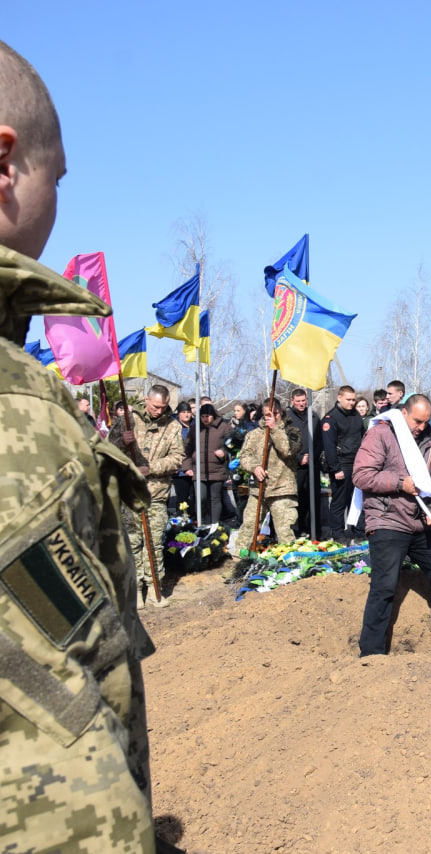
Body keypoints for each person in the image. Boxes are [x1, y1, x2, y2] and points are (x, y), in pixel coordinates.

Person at [0, 38, 157, 851]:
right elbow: (49, 731)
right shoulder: (13, 412)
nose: (57, 201)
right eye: (54, 179)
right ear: (5, 165)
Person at [352, 395, 431, 656]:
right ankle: (372, 652)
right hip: (388, 519)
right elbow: (361, 475)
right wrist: (400, 482)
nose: (421, 427)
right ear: (403, 413)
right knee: (385, 585)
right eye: (417, 421)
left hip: (421, 522)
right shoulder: (381, 433)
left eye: (425, 421)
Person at [114, 384, 185, 604]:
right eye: (155, 406)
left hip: (156, 493)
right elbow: (107, 450)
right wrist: (121, 443)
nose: (159, 411)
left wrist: (151, 467)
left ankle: (155, 587)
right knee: (132, 542)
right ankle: (135, 590)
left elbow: (177, 458)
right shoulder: (128, 421)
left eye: (163, 407)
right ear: (146, 400)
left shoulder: (172, 426)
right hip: (130, 492)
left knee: (153, 543)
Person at [231, 398, 302, 560]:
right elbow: (245, 456)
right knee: (248, 527)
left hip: (282, 490)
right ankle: (238, 561)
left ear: (280, 412)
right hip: (259, 489)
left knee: (285, 532)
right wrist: (254, 467)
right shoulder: (254, 434)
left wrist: (275, 430)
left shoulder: (292, 431)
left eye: (274, 414)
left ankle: (290, 567)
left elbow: (288, 450)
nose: (270, 417)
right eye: (266, 415)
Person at [321, 385, 366, 543]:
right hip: (341, 465)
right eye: (348, 399)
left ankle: (358, 531)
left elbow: (362, 438)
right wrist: (336, 468)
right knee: (339, 501)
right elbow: (329, 446)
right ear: (339, 398)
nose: (352, 402)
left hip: (357, 464)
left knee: (357, 500)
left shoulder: (356, 416)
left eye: (354, 399)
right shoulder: (330, 418)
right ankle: (338, 533)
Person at [285, 387, 325, 540]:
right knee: (297, 500)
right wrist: (299, 457)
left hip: (312, 465)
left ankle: (314, 532)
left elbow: (319, 441)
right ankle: (297, 530)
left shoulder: (313, 416)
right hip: (295, 466)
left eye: (304, 401)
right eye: (298, 401)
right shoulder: (287, 418)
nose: (301, 404)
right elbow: (285, 443)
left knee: (313, 500)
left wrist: (312, 457)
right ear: (292, 402)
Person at [188, 403, 233, 526]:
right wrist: (187, 467)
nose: (205, 419)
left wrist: (224, 452)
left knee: (215, 498)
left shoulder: (224, 428)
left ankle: (214, 524)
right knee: (200, 498)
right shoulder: (195, 428)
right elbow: (187, 448)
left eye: (207, 416)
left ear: (213, 416)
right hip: (199, 469)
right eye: (202, 416)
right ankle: (201, 522)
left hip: (217, 469)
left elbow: (233, 445)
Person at [170, 400, 195, 515]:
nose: (186, 414)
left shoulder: (196, 425)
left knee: (195, 499)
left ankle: (194, 521)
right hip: (179, 470)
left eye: (188, 412)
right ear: (178, 413)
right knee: (182, 499)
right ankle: (182, 520)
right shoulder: (173, 426)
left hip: (194, 468)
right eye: (183, 412)